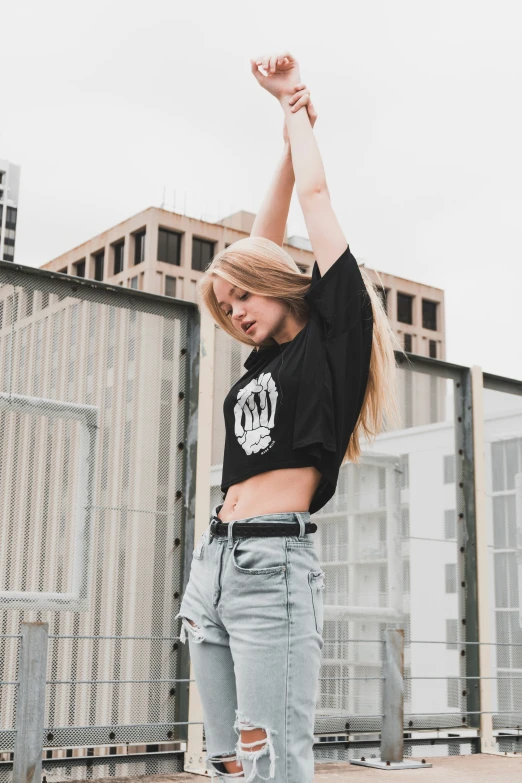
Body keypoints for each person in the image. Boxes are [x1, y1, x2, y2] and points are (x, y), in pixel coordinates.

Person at [176, 52, 399, 783]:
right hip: (216, 562)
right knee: (225, 760)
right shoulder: (262, 362)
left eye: (241, 296)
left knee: (273, 757)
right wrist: (281, 126)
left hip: (274, 565)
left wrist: (299, 110)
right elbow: (257, 240)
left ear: (277, 283)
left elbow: (315, 192)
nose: (234, 312)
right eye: (224, 306)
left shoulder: (334, 336)